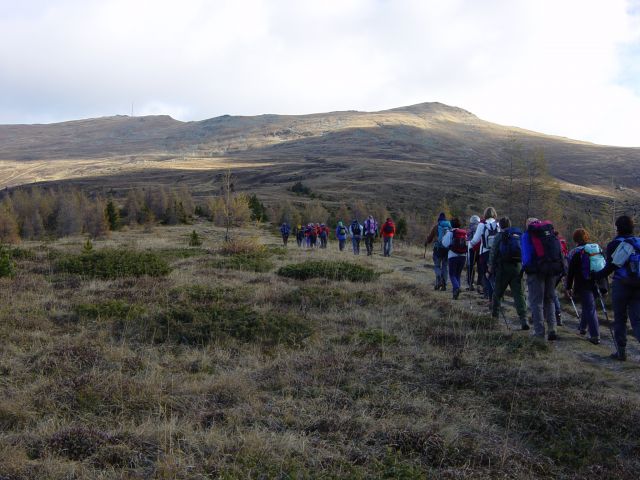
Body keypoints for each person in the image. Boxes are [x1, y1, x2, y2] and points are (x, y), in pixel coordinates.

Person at [593, 215, 640, 361]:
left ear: (617, 228)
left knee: (620, 318)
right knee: (637, 320)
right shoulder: (638, 242)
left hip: (621, 284)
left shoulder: (614, 244)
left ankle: (621, 352)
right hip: (639, 285)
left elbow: (610, 267)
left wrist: (596, 275)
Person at [521, 217, 565, 341]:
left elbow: (526, 256)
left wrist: (526, 269)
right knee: (549, 300)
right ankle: (552, 329)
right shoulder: (549, 233)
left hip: (536, 271)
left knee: (537, 302)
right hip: (552, 269)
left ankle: (539, 332)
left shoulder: (527, 235)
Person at [488, 217, 529, 329]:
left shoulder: (499, 236)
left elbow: (493, 252)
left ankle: (494, 318)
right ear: (510, 225)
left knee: (497, 293)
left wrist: (490, 267)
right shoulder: (517, 235)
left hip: (503, 268)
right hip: (517, 267)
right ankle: (524, 319)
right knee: (519, 294)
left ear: (500, 226)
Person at [565, 228, 601, 345]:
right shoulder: (595, 249)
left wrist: (568, 287)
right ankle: (582, 328)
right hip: (596, 282)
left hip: (583, 284)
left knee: (590, 308)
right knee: (588, 305)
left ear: (575, 239)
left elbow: (570, 272)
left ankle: (595, 335)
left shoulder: (575, 252)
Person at [470, 207, 500, 302]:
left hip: (485, 252)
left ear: (485, 214)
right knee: (494, 275)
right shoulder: (498, 224)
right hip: (496, 253)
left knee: (485, 274)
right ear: (494, 214)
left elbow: (475, 240)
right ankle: (495, 296)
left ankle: (487, 295)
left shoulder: (482, 225)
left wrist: (470, 244)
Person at [441, 217, 467, 299]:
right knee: (458, 274)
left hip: (453, 255)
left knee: (452, 274)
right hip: (463, 256)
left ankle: (456, 288)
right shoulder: (464, 233)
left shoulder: (450, 232)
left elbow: (444, 243)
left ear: (451, 225)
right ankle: (455, 294)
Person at [426, 213, 451, 291]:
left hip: (437, 249)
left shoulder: (436, 227)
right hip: (446, 250)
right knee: (445, 267)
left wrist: (427, 241)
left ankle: (439, 279)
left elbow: (430, 238)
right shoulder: (449, 227)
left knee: (437, 266)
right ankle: (443, 285)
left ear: (439, 220)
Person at [466, 215, 481, 291]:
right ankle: (479, 284)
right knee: (480, 267)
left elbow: (467, 239)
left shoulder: (470, 229)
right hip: (480, 250)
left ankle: (470, 284)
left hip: (472, 249)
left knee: (471, 267)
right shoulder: (480, 227)